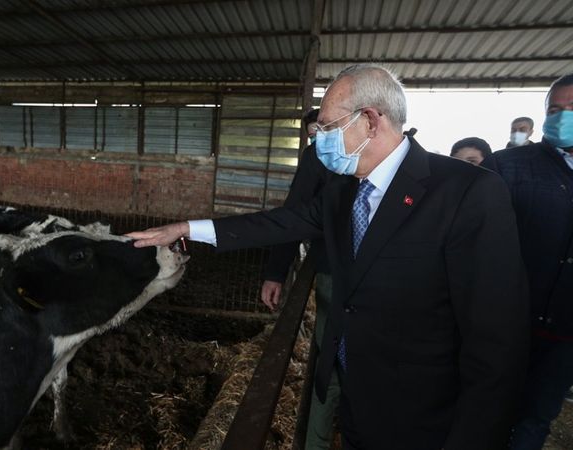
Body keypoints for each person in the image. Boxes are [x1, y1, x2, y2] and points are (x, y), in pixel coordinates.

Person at [128, 63, 529, 450]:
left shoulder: (467, 193)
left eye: (329, 128)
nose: (320, 140)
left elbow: (495, 341)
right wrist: (187, 229)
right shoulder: (342, 190)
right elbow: (279, 223)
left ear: (371, 121)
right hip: (354, 397)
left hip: (422, 414)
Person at [481, 73, 573, 450]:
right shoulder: (508, 166)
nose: (562, 116)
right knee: (487, 412)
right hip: (507, 323)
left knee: (536, 419)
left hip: (566, 331)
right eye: (555, 109)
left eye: (571, 109)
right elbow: (472, 244)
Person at [261, 107, 339, 450]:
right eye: (313, 134)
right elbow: (294, 215)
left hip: (360, 277)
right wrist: (276, 271)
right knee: (332, 366)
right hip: (333, 272)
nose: (318, 140)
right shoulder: (318, 156)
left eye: (323, 130)